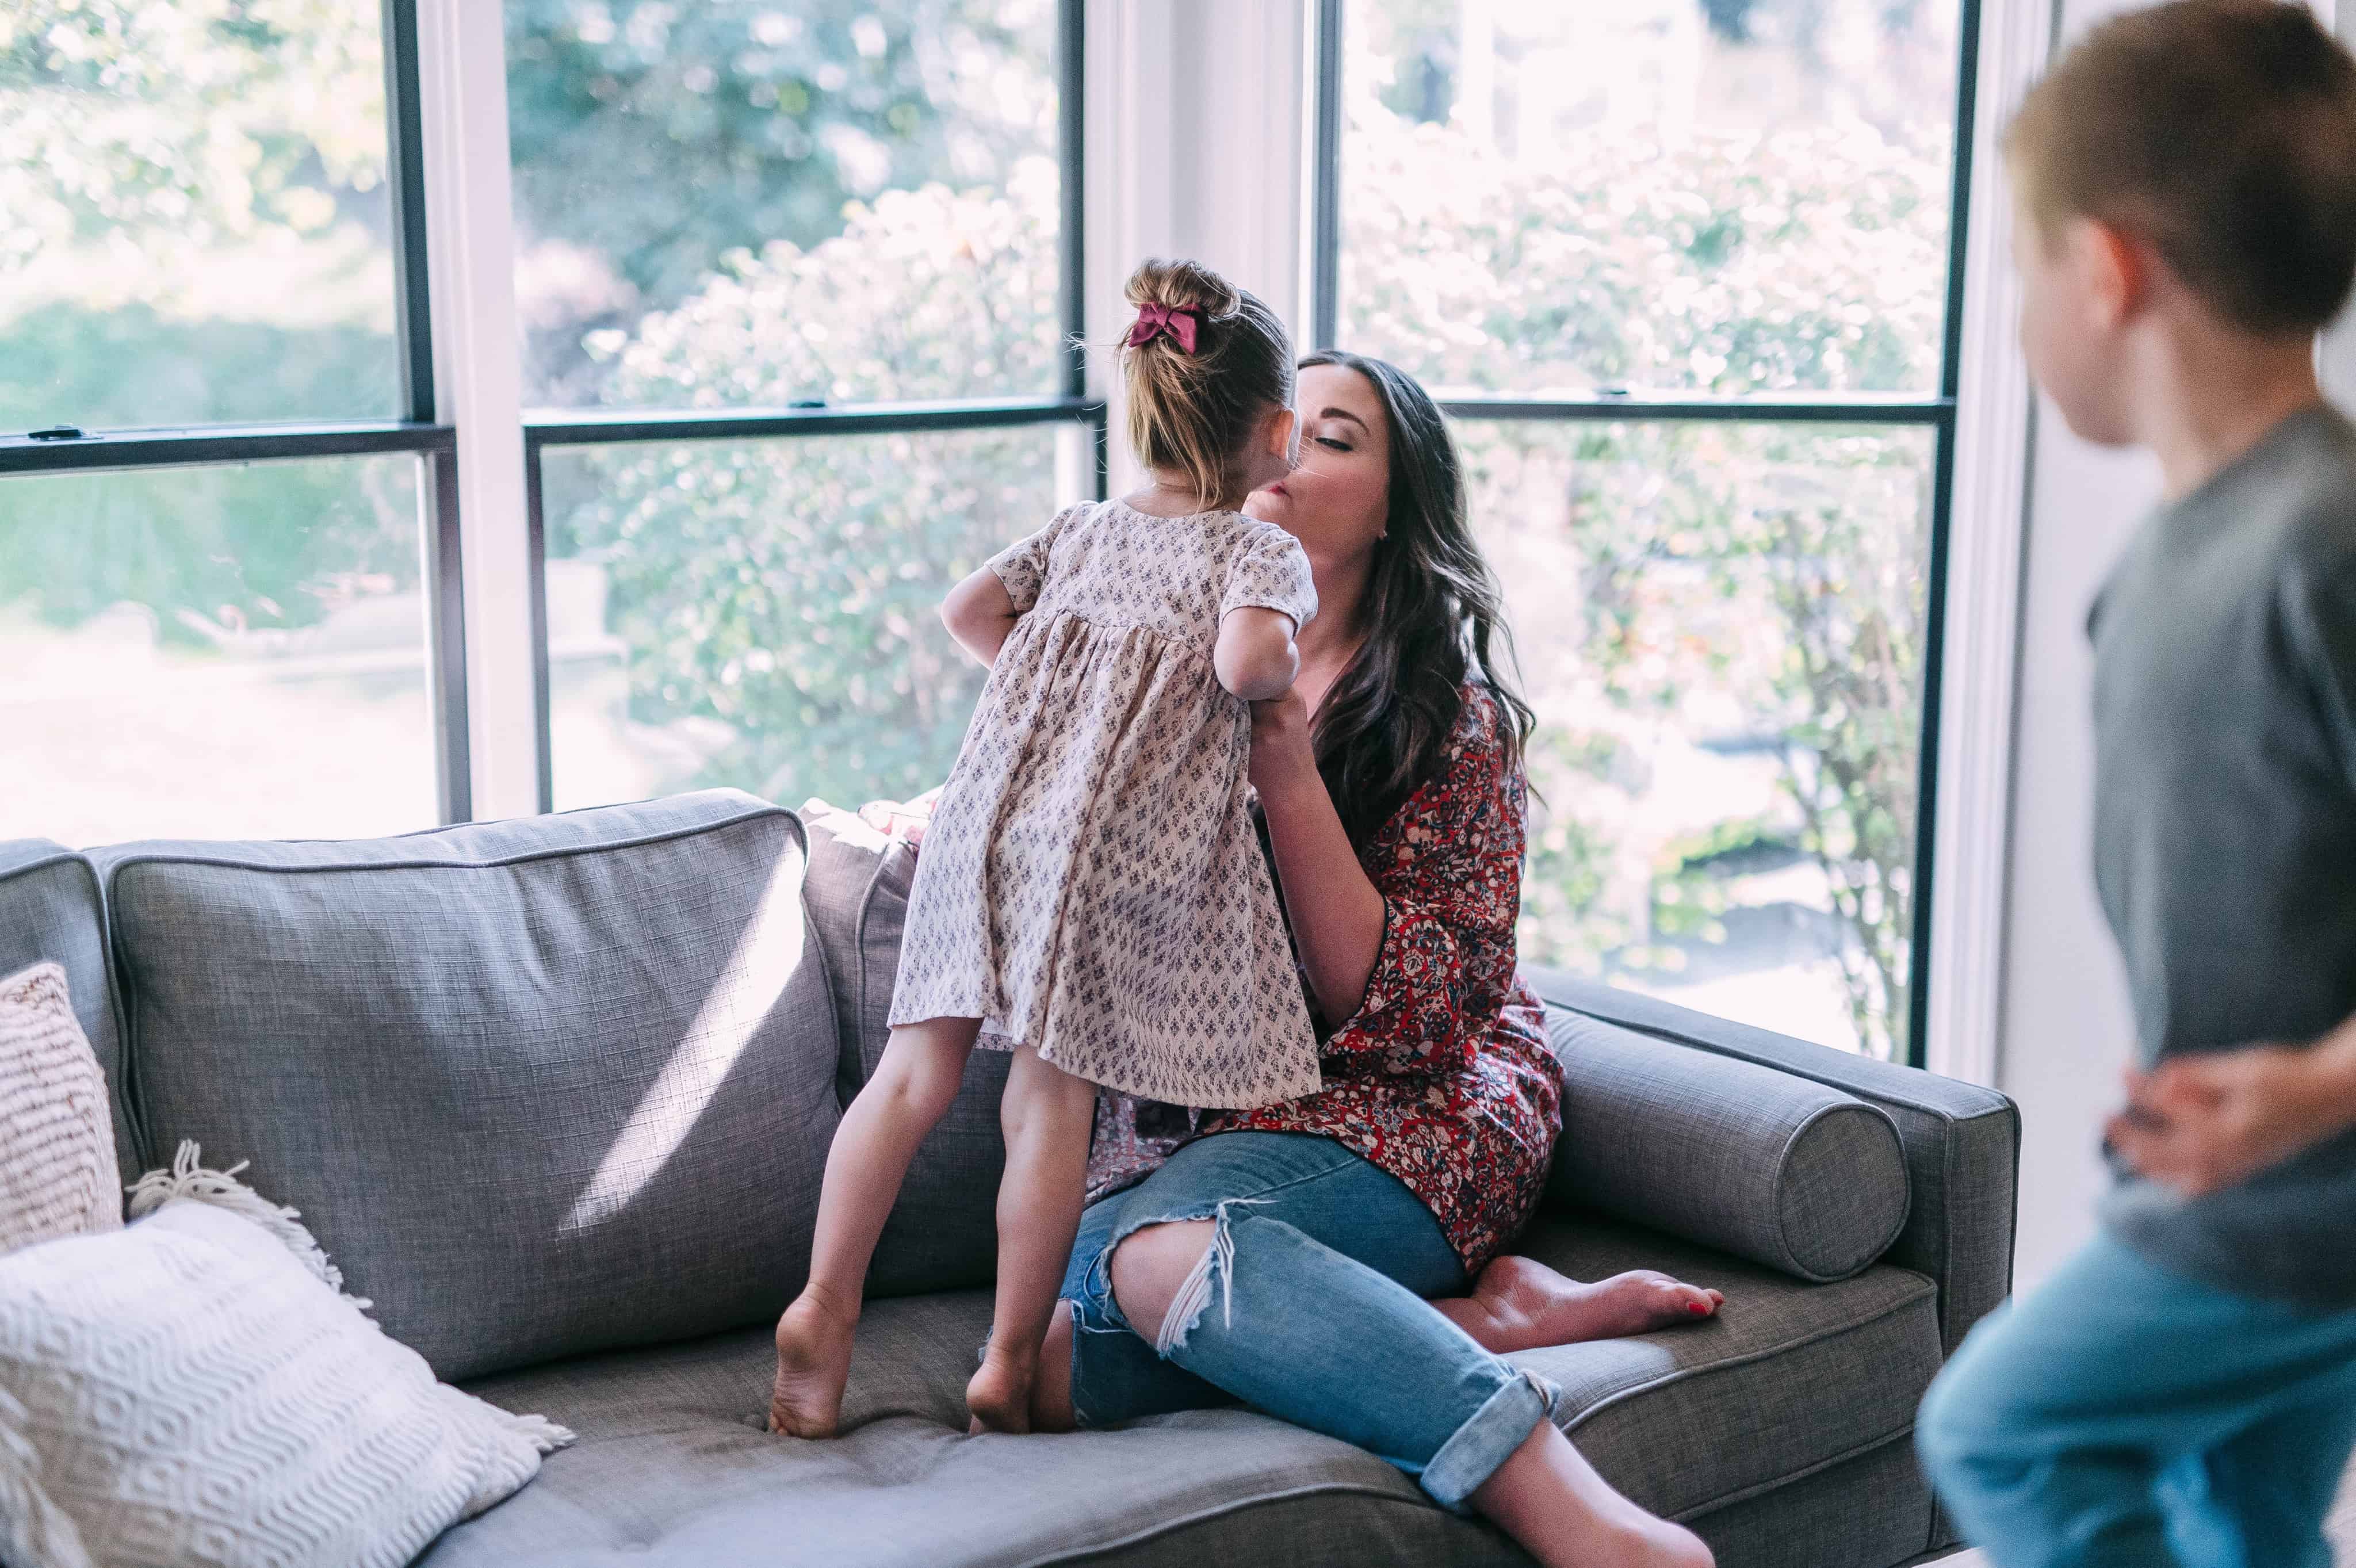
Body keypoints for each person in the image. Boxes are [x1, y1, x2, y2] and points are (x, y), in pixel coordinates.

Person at [1011, 351, 1720, 1568]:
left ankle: (1584, 1518)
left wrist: (1279, 751)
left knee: (1162, 1260)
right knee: (1043, 1371)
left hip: (1413, 1103)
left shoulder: (1450, 718)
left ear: (1395, 507)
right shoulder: (1152, 668)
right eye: (1276, 422)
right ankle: (1476, 1318)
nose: (1287, 450)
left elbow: (1395, 1016)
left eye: (1333, 437)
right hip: (1208, 1127)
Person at [1914, 5, 2356, 1565]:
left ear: (2105, 272)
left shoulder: (2324, 541)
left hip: (2299, 1207)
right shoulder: (2169, 556)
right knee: (2236, 1508)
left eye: (2023, 267)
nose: (2021, 309)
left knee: (2000, 1425)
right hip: (2249, 1180)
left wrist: (2308, 1089)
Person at [771, 258, 1329, 1439]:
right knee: (1046, 1101)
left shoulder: (1078, 531)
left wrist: (1052, 700)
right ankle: (1009, 1356)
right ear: (1274, 432)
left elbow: (969, 613)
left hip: (985, 817)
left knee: (910, 1073)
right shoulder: (1256, 551)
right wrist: (1273, 662)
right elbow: (1246, 668)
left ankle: (823, 1305)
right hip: (1099, 851)